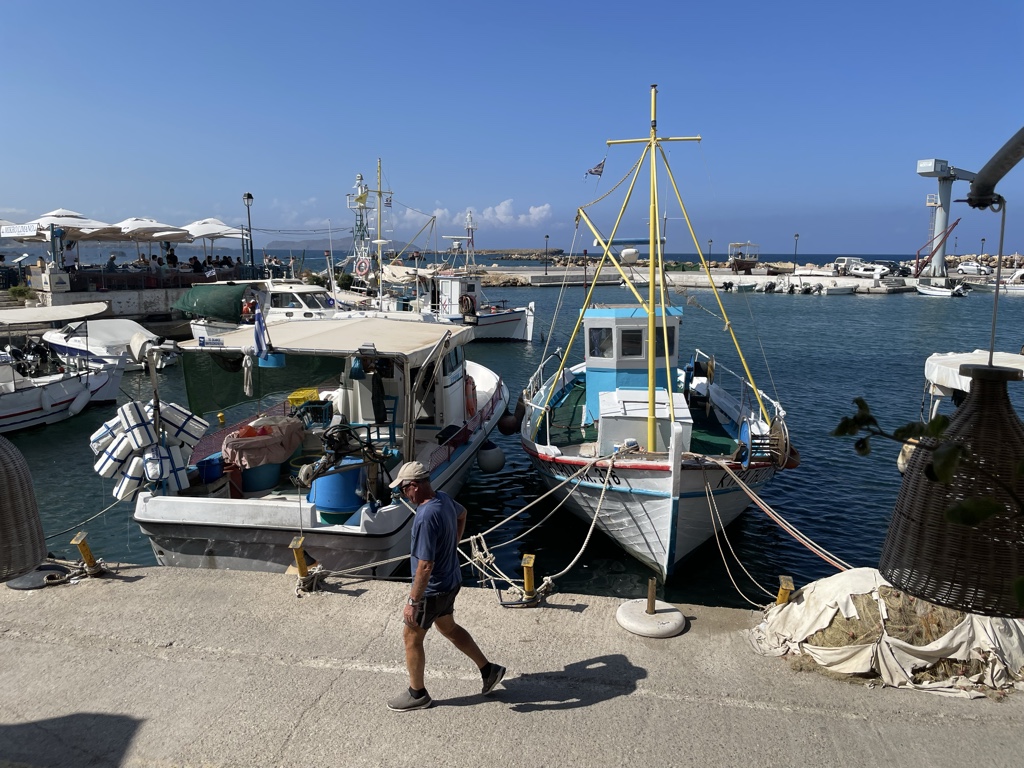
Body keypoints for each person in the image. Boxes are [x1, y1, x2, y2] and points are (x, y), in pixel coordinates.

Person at [386, 461, 505, 712]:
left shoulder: (425, 516)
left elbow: (425, 566)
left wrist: (412, 602)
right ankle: (488, 670)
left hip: (433, 590)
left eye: (403, 489)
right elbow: (462, 514)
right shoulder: (443, 499)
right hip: (451, 581)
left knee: (410, 636)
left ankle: (417, 694)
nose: (403, 495)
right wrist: (452, 544)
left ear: (414, 487)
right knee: (448, 627)